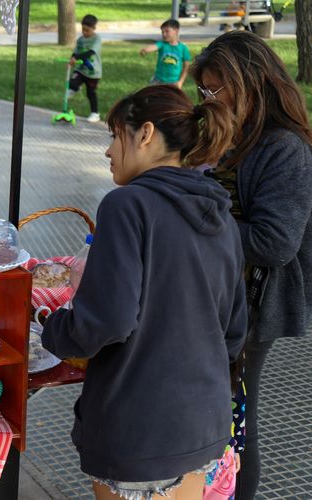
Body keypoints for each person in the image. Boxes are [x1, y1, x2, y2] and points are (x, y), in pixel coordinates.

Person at [40, 84, 248, 500]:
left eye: (114, 136)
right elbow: (234, 329)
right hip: (202, 424)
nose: (108, 151)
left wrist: (52, 328)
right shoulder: (218, 210)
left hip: (139, 427)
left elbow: (107, 321)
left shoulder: (126, 205)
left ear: (145, 134)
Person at [191, 30, 312, 499]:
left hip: (250, 310)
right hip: (209, 300)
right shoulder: (229, 136)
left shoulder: (285, 149)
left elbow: (274, 242)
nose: (207, 100)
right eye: (203, 90)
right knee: (210, 416)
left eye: (215, 90)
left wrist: (189, 231)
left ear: (252, 84)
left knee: (234, 423)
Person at [68, 14, 102, 123]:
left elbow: (90, 52)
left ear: (94, 28)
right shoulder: (80, 40)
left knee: (91, 93)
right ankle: (76, 87)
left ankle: (95, 114)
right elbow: (76, 51)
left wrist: (76, 57)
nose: (84, 32)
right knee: (72, 83)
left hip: (93, 72)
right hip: (80, 70)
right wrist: (72, 59)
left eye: (87, 30)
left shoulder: (97, 39)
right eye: (83, 30)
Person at [139, 19, 191, 88]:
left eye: (167, 31)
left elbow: (186, 66)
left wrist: (181, 81)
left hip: (174, 82)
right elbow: (154, 46)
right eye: (162, 32)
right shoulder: (162, 44)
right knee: (150, 95)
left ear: (176, 30)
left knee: (171, 98)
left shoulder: (183, 48)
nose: (164, 34)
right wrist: (145, 49)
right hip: (158, 80)